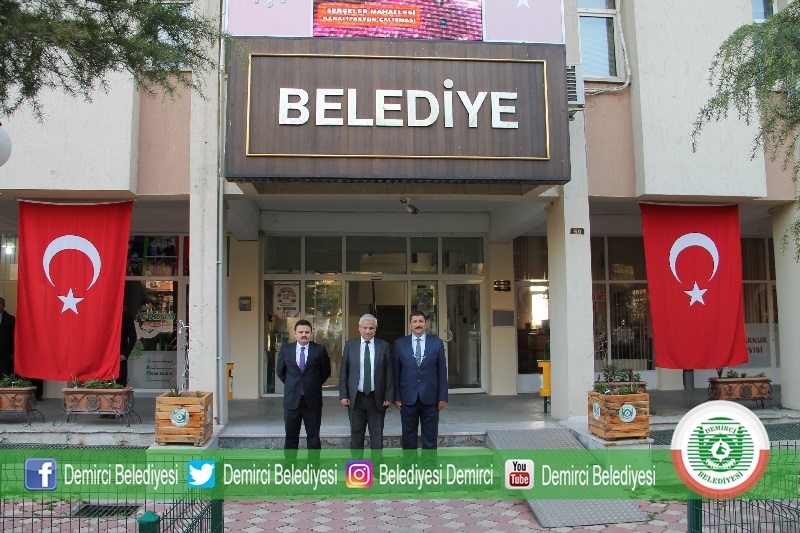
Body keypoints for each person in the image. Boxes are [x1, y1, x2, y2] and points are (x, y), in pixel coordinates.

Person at [394, 311, 448, 450]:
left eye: (421, 321)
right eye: (415, 321)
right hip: (407, 397)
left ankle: (429, 464)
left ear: (425, 323)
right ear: (410, 324)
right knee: (408, 437)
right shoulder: (400, 344)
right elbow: (396, 372)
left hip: (431, 397)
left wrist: (443, 396)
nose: (418, 324)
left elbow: (442, 372)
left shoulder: (436, 343)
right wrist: (397, 397)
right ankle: (409, 464)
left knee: (430, 438)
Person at [339, 314, 393, 451]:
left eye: (371, 328)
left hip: (377, 397)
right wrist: (344, 394)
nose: (367, 331)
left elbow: (389, 372)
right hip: (356, 398)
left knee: (377, 434)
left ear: (375, 329)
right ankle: (357, 465)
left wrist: (388, 396)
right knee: (356, 435)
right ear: (359, 328)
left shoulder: (384, 346)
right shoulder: (350, 345)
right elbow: (344, 371)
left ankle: (377, 464)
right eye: (365, 328)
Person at [276, 319, 331, 450]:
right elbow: (280, 372)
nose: (304, 335)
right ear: (295, 333)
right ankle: (290, 463)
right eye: (300, 332)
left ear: (311, 333)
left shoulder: (319, 349)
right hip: (292, 400)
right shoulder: (286, 350)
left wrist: (312, 384)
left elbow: (326, 372)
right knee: (290, 437)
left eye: (307, 332)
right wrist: (293, 385)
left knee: (313, 437)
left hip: (312, 401)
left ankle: (313, 463)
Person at [118, 306, 138, 386]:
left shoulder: (127, 317)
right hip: (106, 356)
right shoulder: (106, 315)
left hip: (120, 356)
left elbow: (133, 338)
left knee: (120, 382)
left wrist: (125, 354)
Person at [0, 296, 14, 377]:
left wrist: (12, 352)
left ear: (4, 305)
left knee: (4, 375)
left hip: (5, 353)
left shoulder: (10, 319)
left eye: (0, 303)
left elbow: (13, 337)